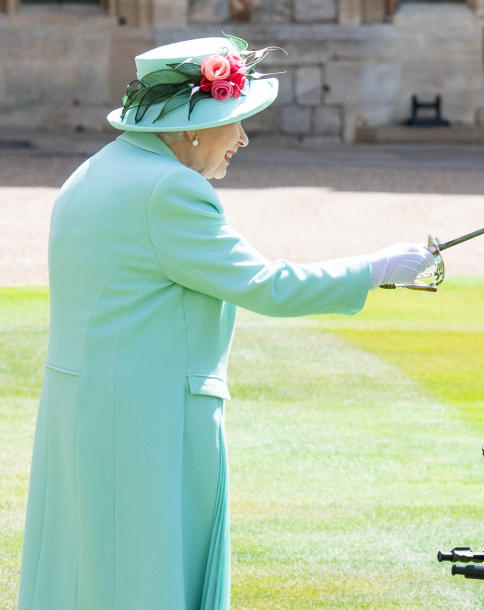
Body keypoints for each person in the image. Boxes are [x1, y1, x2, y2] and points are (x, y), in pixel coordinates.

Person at [18, 36, 435, 610]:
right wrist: (375, 269)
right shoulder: (170, 189)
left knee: (88, 571)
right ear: (192, 127)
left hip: (83, 409)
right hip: (145, 419)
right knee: (145, 574)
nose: (242, 137)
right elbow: (267, 286)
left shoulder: (97, 169)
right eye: (233, 120)